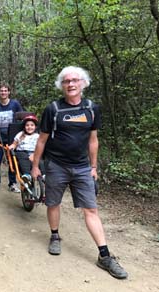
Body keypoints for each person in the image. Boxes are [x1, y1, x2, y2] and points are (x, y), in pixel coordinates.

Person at [31, 66, 128, 279]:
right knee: (53, 203)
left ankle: (104, 256)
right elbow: (42, 140)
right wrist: (36, 166)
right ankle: (55, 236)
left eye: (75, 80)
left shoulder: (92, 108)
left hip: (83, 167)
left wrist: (94, 167)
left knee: (91, 209)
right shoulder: (53, 109)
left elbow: (93, 140)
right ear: (61, 85)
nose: (71, 84)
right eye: (66, 81)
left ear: (83, 83)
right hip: (56, 165)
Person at [0, 83, 23, 193]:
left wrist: (22, 134)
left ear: (9, 92)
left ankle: (12, 183)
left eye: (5, 90)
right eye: (1, 91)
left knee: (13, 160)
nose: (3, 92)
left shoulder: (15, 104)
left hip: (12, 137)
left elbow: (22, 118)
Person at [8, 115, 39, 191]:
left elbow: (40, 147)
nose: (29, 127)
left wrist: (34, 154)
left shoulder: (38, 136)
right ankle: (27, 175)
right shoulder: (20, 134)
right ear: (24, 127)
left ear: (35, 127)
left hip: (34, 153)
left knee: (40, 161)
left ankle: (44, 175)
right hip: (22, 152)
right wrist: (11, 146)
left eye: (32, 125)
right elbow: (15, 144)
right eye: (27, 125)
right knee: (23, 157)